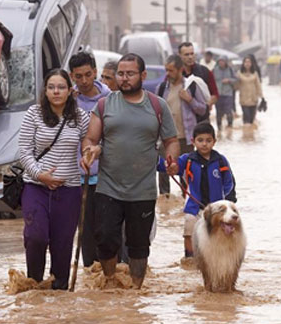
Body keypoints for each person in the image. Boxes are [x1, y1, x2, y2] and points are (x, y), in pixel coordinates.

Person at [81, 53, 179, 288]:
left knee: (138, 246)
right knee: (104, 239)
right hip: (108, 187)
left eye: (130, 74)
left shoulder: (157, 105)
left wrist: (172, 159)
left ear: (142, 76)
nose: (124, 79)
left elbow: (171, 140)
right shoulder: (105, 104)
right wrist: (90, 151)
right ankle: (111, 281)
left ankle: (136, 290)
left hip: (143, 189)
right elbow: (90, 138)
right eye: (121, 74)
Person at [18, 69, 90, 290]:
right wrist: (40, 175)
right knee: (36, 236)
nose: (56, 92)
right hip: (36, 187)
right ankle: (34, 285)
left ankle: (59, 293)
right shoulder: (34, 114)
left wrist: (87, 155)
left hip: (69, 191)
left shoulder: (81, 117)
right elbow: (23, 151)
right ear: (45, 91)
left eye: (61, 87)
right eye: (51, 87)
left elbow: (89, 142)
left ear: (70, 91)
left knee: (63, 245)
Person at [160, 122, 236, 259]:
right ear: (193, 141)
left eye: (208, 140)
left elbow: (229, 182)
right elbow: (172, 167)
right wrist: (165, 164)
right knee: (189, 233)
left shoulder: (220, 161)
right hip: (193, 207)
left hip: (216, 209)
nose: (204, 144)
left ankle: (217, 260)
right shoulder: (187, 160)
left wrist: (229, 202)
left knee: (218, 235)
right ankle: (189, 259)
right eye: (200, 140)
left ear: (214, 141)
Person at [69, 52, 111, 268]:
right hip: (78, 178)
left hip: (107, 177)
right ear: (72, 76)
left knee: (107, 231)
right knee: (85, 233)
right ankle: (90, 276)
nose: (84, 81)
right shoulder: (68, 102)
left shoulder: (110, 100)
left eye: (88, 75)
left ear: (95, 72)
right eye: (78, 76)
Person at [156, 55, 208, 196]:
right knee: (163, 171)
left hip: (186, 137)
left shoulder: (191, 86)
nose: (168, 73)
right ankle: (165, 201)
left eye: (171, 70)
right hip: (166, 137)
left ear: (180, 70)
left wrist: (189, 99)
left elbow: (203, 109)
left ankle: (186, 200)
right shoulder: (161, 88)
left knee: (186, 172)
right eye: (166, 70)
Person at [179, 42, 218, 108]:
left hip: (201, 116)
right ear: (180, 56)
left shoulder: (204, 71)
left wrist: (205, 107)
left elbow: (215, 94)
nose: (190, 57)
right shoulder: (176, 73)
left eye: (192, 53)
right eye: (186, 54)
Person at [212, 55, 237, 131]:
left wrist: (229, 80)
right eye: (220, 61)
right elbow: (211, 81)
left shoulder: (230, 70)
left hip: (228, 94)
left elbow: (236, 79)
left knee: (228, 111)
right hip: (218, 94)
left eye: (222, 61)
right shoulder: (214, 70)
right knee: (218, 113)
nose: (221, 63)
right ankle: (219, 129)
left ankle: (230, 127)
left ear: (226, 62)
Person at [237, 55, 264, 125]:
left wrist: (262, 97)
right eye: (246, 62)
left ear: (251, 64)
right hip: (244, 99)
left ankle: (250, 135)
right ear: (243, 63)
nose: (247, 63)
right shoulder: (239, 73)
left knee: (251, 120)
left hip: (253, 99)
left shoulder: (255, 73)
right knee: (246, 118)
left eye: (249, 62)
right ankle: (245, 134)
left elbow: (258, 86)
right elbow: (236, 86)